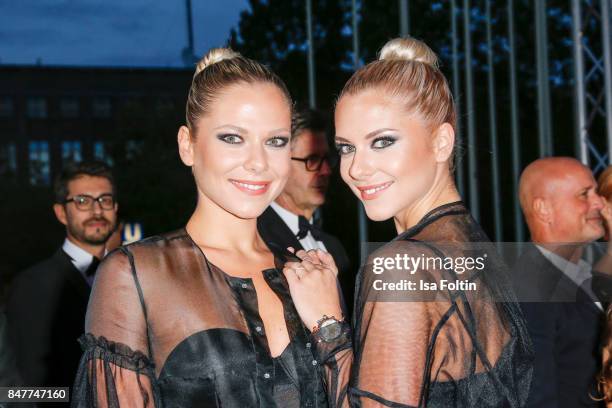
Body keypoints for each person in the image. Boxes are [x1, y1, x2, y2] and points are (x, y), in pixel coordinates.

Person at [282, 37, 533, 407]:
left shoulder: (401, 268)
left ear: (441, 142)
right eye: (347, 147)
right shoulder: (471, 245)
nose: (356, 168)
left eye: (382, 141)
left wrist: (327, 323)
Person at [71, 48, 330, 407]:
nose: (258, 163)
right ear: (187, 145)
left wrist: (329, 326)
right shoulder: (134, 275)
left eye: (275, 141)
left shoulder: (307, 273)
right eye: (232, 138)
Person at [6, 161, 118, 390]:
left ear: (115, 208)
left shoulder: (132, 278)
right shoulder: (32, 286)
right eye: (82, 201)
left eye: (104, 200)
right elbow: (22, 391)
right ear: (61, 213)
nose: (97, 211)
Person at [514, 157, 606, 407]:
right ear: (543, 209)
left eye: (596, 192)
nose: (598, 203)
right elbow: (535, 396)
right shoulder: (530, 289)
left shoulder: (583, 275)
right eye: (584, 195)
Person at [257, 106, 352, 308]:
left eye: (327, 160)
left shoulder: (336, 247)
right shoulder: (255, 240)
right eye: (312, 160)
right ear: (279, 163)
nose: (326, 171)